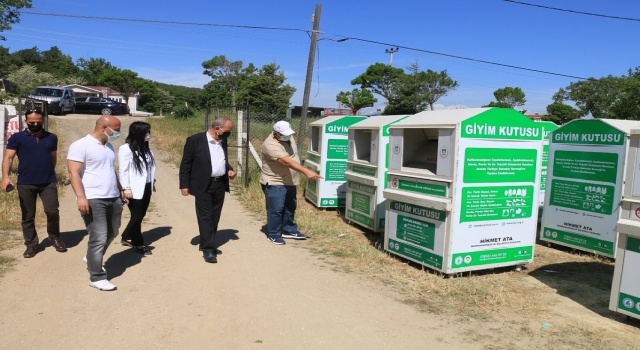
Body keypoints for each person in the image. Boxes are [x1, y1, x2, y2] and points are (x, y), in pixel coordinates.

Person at [67, 115, 125, 291]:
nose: (118, 133)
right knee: (98, 236)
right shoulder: (80, 146)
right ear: (103, 128)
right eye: (116, 129)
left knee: (113, 232)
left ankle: (92, 256)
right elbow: (73, 173)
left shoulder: (108, 146)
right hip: (93, 198)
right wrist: (81, 197)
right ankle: (97, 276)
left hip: (113, 196)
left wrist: (120, 189)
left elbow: (110, 170)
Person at [1, 109, 66, 258]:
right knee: (28, 215)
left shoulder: (51, 138)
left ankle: (54, 237)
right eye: (32, 122)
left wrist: (49, 172)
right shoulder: (17, 138)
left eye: (38, 122)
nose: (35, 124)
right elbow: (8, 158)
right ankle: (31, 244)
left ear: (43, 120)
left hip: (48, 181)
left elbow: (53, 158)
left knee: (52, 211)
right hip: (26, 182)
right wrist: (5, 177)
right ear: (26, 121)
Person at [179, 117, 236, 264]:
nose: (229, 134)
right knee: (206, 216)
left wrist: (229, 170)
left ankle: (206, 242)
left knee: (215, 215)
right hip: (203, 185)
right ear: (217, 128)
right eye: (228, 131)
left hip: (219, 184)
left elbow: (221, 160)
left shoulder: (222, 141)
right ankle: (208, 249)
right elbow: (186, 163)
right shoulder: (195, 140)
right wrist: (184, 185)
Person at [260, 121, 322, 245]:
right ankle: (274, 234)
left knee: (290, 206)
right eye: (284, 134)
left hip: (290, 180)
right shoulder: (270, 144)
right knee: (276, 209)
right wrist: (306, 171)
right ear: (276, 133)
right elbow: (286, 162)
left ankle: (288, 230)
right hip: (275, 181)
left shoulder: (288, 136)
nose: (288, 136)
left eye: (289, 133)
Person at [118, 121, 156, 255]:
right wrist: (125, 188)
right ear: (139, 133)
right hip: (133, 189)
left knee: (141, 215)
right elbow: (123, 170)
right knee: (137, 215)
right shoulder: (126, 149)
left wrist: (152, 182)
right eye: (147, 132)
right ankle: (138, 243)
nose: (148, 135)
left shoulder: (146, 149)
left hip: (146, 187)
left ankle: (126, 235)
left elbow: (149, 169)